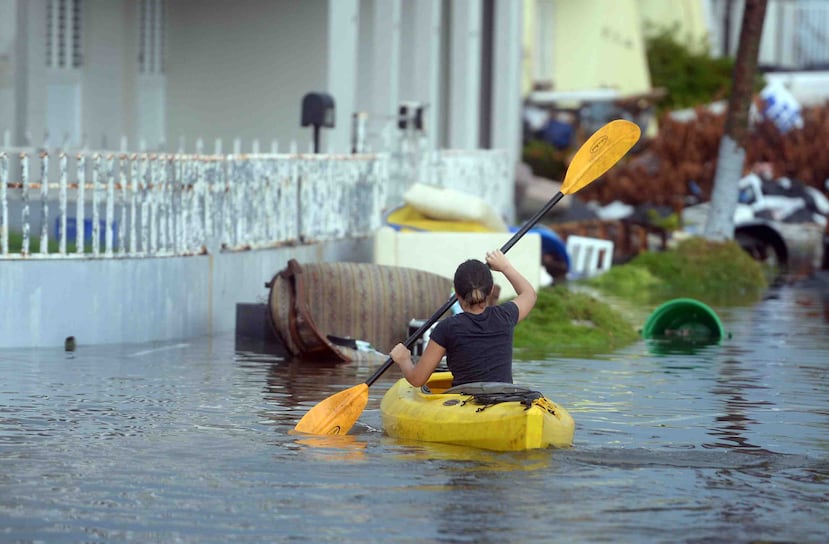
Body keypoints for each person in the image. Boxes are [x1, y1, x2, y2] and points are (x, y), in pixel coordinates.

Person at [390, 249, 537, 388]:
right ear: (491, 290)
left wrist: (404, 360)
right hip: (505, 399)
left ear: (456, 292)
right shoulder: (505, 315)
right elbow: (529, 294)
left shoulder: (447, 328)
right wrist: (505, 266)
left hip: (465, 405)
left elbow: (417, 379)